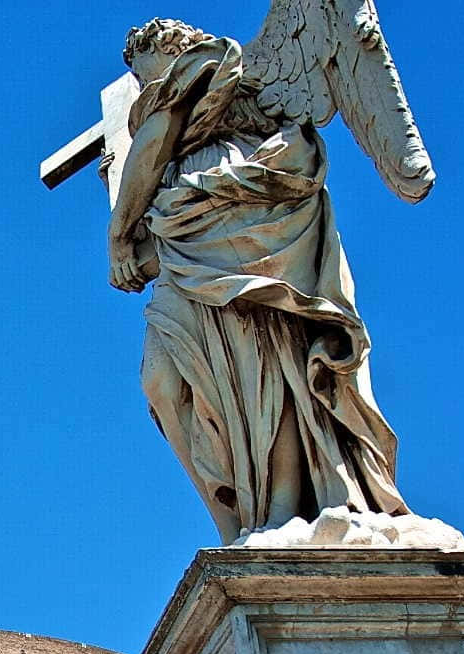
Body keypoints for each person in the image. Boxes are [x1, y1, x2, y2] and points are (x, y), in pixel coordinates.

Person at [110, 19, 409, 542]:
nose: (146, 86)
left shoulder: (211, 64)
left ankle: (282, 508)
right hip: (191, 238)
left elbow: (157, 136)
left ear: (172, 47)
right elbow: (157, 176)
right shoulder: (174, 153)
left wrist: (119, 232)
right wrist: (143, 239)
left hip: (252, 230)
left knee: (271, 362)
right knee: (163, 383)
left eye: (146, 71)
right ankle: (238, 525)